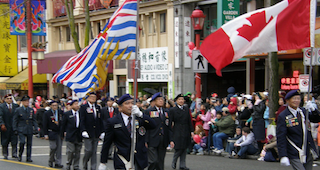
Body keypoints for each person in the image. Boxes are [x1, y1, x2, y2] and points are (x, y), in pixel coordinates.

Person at [98, 94, 156, 170]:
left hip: (139, 159)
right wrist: (103, 162)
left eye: (132, 103)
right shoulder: (113, 122)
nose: (130, 106)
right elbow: (107, 142)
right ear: (120, 108)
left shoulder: (139, 118)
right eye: (127, 103)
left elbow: (153, 125)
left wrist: (141, 114)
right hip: (122, 159)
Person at [277, 90, 320, 170]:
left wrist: (313, 109)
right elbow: (281, 136)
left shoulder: (303, 111)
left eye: (298, 98)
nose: (296, 101)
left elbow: (316, 119)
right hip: (294, 150)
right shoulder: (283, 116)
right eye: (294, 98)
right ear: (287, 100)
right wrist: (283, 155)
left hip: (307, 149)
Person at [144, 92, 171, 170]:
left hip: (163, 139)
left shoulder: (166, 112)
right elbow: (145, 127)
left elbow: (168, 126)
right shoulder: (149, 111)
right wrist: (145, 140)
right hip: (152, 139)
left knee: (160, 161)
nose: (161, 101)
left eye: (162, 99)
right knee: (153, 160)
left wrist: (171, 139)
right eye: (158, 99)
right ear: (154, 101)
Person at [80, 92, 104, 170]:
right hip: (87, 132)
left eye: (94, 97)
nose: (93, 98)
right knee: (88, 150)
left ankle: (93, 167)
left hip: (96, 132)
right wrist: (83, 130)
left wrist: (102, 131)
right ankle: (85, 163)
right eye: (91, 97)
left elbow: (100, 120)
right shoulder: (84, 107)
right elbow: (82, 120)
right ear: (88, 98)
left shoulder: (98, 107)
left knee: (94, 151)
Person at [169, 94, 193, 170]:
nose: (181, 101)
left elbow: (190, 121)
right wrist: (171, 133)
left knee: (184, 148)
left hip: (186, 129)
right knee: (178, 148)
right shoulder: (173, 110)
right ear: (176, 101)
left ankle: (182, 165)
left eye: (182, 99)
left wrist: (191, 131)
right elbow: (170, 122)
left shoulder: (186, 109)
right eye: (179, 99)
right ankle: (174, 161)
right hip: (177, 129)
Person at [12, 96, 38, 162]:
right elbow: (15, 120)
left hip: (29, 128)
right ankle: (20, 154)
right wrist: (15, 129)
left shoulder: (31, 110)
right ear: (22, 102)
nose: (27, 102)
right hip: (21, 128)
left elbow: (34, 120)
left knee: (29, 144)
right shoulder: (18, 110)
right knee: (22, 142)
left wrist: (36, 128)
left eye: (28, 101)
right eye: (25, 101)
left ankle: (28, 157)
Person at [61, 100, 82, 170]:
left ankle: (76, 165)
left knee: (77, 152)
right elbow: (63, 125)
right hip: (70, 135)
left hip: (78, 135)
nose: (77, 105)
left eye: (77, 104)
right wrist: (62, 134)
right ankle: (68, 163)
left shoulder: (80, 114)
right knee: (71, 151)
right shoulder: (67, 114)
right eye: (75, 104)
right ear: (71, 105)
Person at [43, 101, 64, 168]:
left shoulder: (60, 112)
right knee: (53, 147)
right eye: (53, 105)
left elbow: (63, 122)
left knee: (59, 148)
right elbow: (45, 124)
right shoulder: (47, 113)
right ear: (50, 106)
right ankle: (51, 160)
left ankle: (58, 162)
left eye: (56, 105)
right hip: (51, 132)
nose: (55, 107)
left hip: (59, 132)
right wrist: (45, 134)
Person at [0, 94, 19, 159]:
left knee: (14, 141)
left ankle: (14, 153)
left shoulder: (16, 106)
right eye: (8, 98)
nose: (9, 100)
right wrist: (2, 124)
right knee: (5, 141)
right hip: (5, 126)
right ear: (5, 100)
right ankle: (5, 153)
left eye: (10, 98)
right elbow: (0, 116)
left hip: (14, 126)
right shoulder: (2, 106)